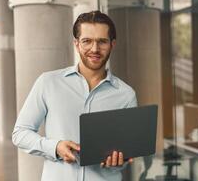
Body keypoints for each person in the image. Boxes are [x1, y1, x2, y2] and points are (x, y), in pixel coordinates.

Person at [12, 11, 137, 181]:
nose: (95, 49)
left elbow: (126, 152)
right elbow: (20, 133)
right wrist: (55, 147)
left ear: (112, 44)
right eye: (87, 41)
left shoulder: (126, 95)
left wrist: (118, 161)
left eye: (102, 41)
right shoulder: (48, 82)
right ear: (76, 44)